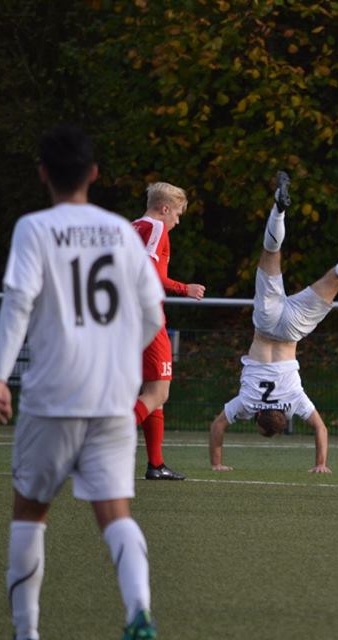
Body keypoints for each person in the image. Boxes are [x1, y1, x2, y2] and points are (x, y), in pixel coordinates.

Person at [0, 125, 164, 640]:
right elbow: (153, 314)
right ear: (93, 174)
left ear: (43, 173)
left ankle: (27, 633)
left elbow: (19, 301)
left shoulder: (34, 228)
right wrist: (114, 354)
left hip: (53, 394)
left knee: (30, 510)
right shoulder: (119, 231)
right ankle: (139, 613)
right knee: (114, 512)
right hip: (112, 397)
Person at [208, 171, 338, 472]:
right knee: (271, 253)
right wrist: (216, 464)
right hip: (266, 325)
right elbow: (216, 427)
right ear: (258, 416)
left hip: (293, 330)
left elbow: (320, 429)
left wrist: (321, 464)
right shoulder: (246, 402)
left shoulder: (294, 401)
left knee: (337, 276)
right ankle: (279, 209)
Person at [131, 182, 206, 481]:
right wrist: (183, 288)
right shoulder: (156, 228)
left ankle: (156, 464)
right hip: (146, 316)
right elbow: (151, 274)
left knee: (153, 393)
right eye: (177, 214)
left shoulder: (131, 227)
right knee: (159, 391)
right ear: (164, 208)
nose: (177, 221)